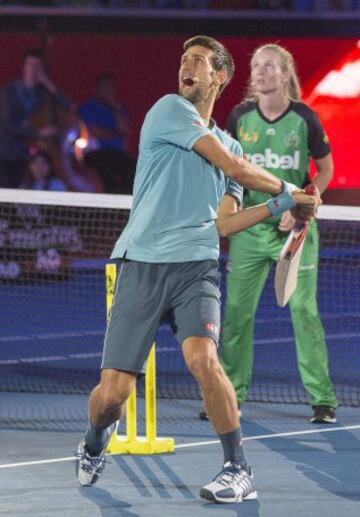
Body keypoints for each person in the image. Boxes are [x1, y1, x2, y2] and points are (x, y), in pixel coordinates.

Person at [74, 35, 317, 504]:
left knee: (203, 359)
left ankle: (237, 469)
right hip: (142, 263)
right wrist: (291, 191)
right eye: (185, 59)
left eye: (200, 62)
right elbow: (233, 165)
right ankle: (93, 442)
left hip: (196, 267)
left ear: (219, 77)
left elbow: (227, 222)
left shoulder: (228, 144)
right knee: (111, 395)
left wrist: (283, 205)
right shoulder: (168, 110)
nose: (187, 66)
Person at [218, 43, 337, 425]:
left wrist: (304, 204)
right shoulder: (239, 117)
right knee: (235, 315)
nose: (259, 72)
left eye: (268, 66)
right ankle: (229, 398)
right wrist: (232, 208)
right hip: (251, 230)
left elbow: (325, 170)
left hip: (296, 230)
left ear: (285, 74)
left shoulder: (305, 119)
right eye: (255, 67)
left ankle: (322, 399)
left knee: (304, 312)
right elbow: (228, 169)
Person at [0, 48, 74, 189]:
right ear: (24, 67)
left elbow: (69, 106)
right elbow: (6, 124)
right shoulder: (9, 90)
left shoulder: (43, 93)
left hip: (33, 152)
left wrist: (49, 84)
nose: (34, 69)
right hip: (8, 150)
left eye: (38, 66)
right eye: (31, 65)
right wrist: (38, 132)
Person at [79, 73, 136, 194]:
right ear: (96, 89)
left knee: (132, 166)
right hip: (96, 152)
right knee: (105, 169)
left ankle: (123, 198)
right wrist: (117, 134)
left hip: (117, 153)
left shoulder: (118, 109)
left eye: (110, 88)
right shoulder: (88, 108)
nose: (108, 91)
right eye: (104, 87)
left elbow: (126, 130)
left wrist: (115, 108)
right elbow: (95, 132)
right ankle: (109, 200)